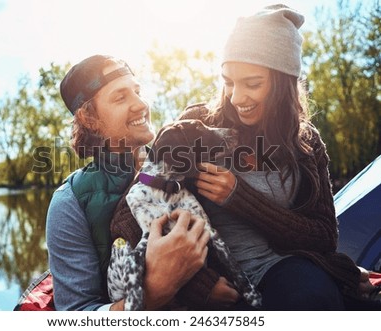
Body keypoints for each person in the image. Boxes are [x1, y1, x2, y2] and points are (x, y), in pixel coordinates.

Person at [111, 4, 380, 310]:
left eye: (252, 84)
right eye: (228, 82)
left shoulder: (305, 143)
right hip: (227, 281)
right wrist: (198, 286)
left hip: (292, 271)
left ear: (283, 83)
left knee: (316, 297)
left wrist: (240, 197)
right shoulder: (197, 125)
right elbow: (130, 210)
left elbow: (323, 237)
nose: (237, 97)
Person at [45, 55, 210, 311]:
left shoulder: (181, 162)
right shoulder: (69, 203)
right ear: (89, 118)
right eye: (121, 97)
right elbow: (76, 313)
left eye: (137, 91)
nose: (141, 104)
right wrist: (155, 290)